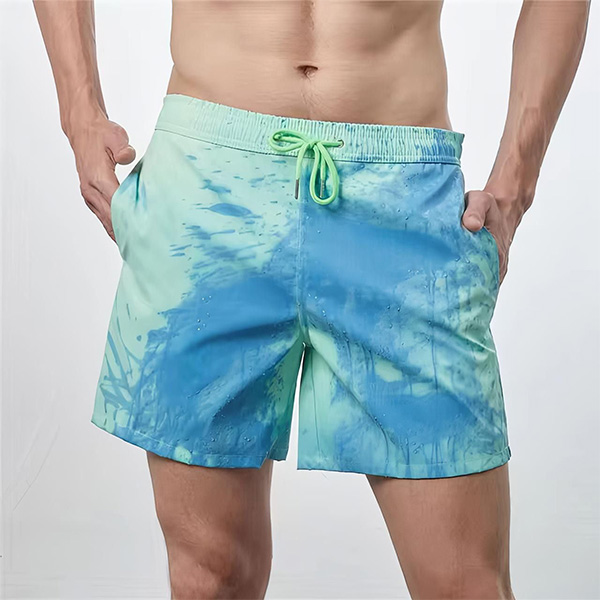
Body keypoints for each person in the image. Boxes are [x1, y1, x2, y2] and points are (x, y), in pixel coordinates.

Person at [34, 1, 590, 598]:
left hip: (403, 201)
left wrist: (515, 183)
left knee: (465, 584)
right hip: (206, 195)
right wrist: (79, 112)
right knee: (210, 576)